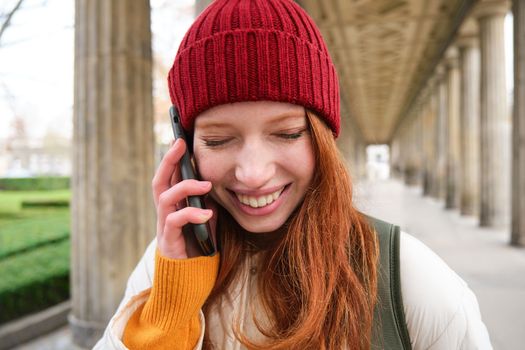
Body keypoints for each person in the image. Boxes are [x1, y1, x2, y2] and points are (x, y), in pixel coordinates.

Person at [94, 0, 492, 349]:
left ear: (323, 139)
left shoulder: (407, 278)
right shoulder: (163, 266)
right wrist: (169, 313)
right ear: (184, 149)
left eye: (286, 134)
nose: (252, 174)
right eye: (217, 141)